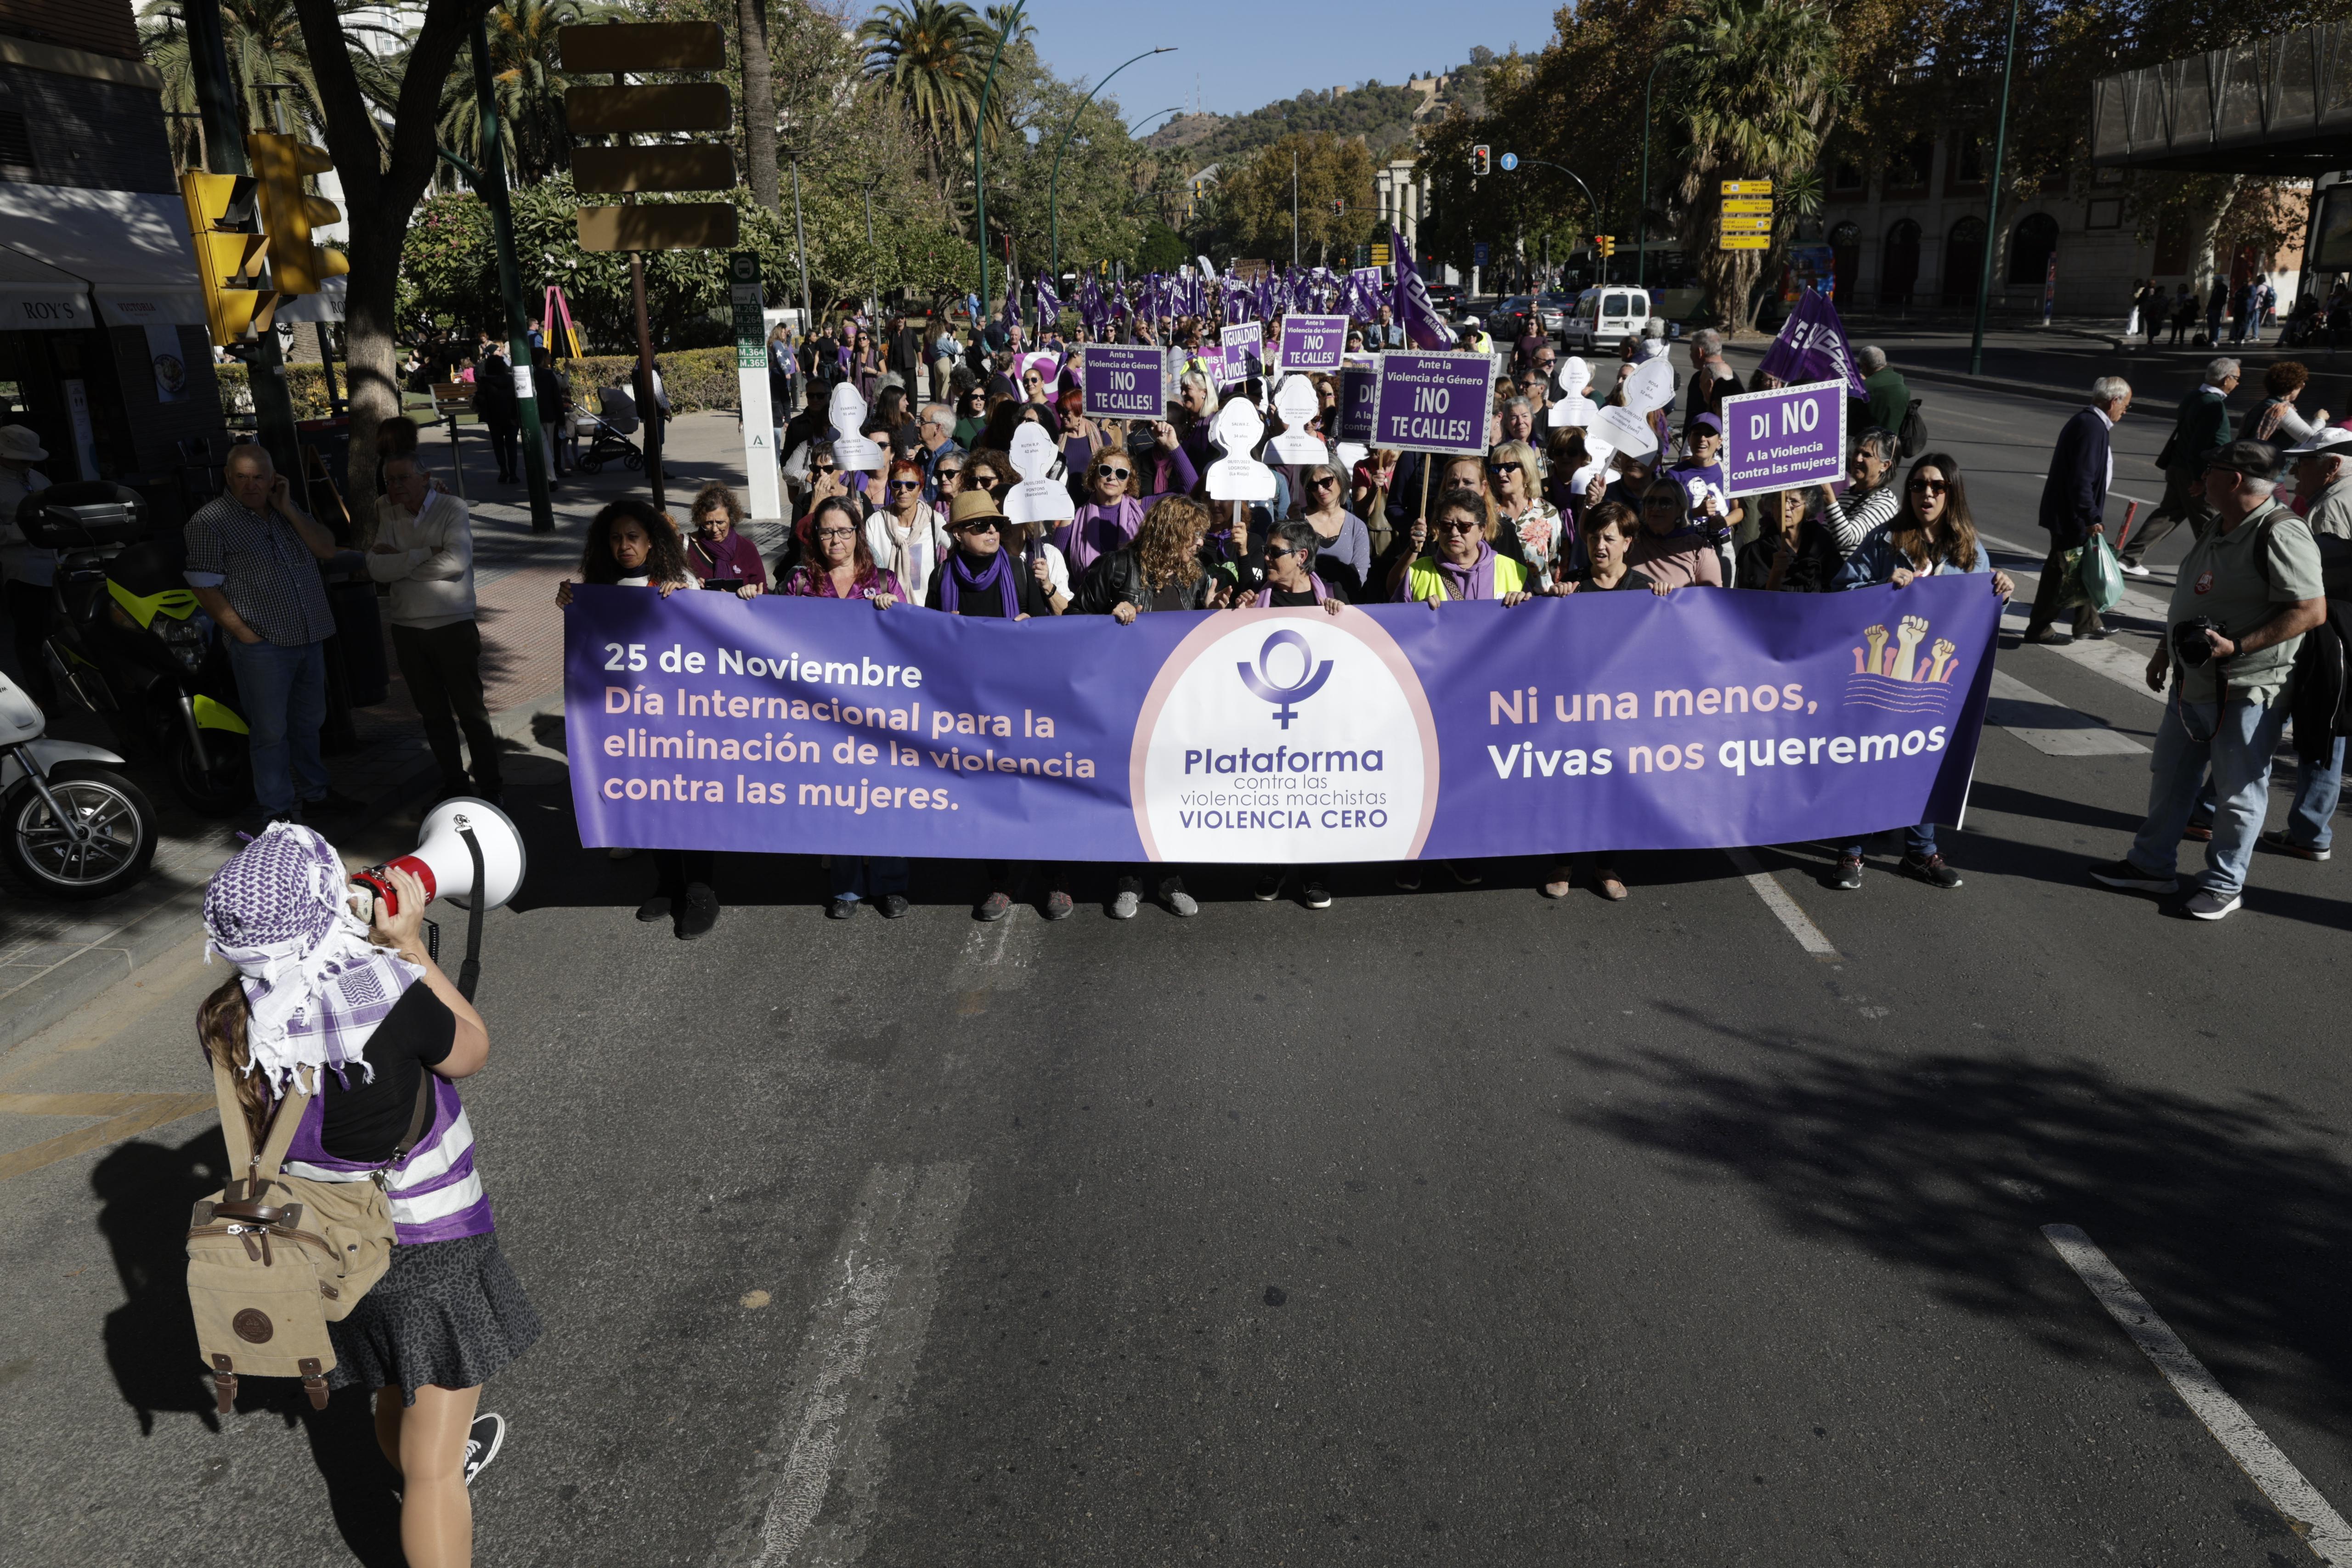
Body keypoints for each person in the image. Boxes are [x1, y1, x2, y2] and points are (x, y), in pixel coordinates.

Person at [198, 826, 536, 1568]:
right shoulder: (385, 991)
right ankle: (430, 1482)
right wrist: (409, 943)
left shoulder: (226, 1016)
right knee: (435, 1470)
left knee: (391, 1376)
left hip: (324, 1241)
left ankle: (414, 1464)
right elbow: (472, 1047)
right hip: (431, 1241)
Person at [2087, 440, 2327, 919]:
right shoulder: (2221, 524)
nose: (2200, 480)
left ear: (2234, 479)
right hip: (2191, 680)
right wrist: (2162, 650)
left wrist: (2237, 647)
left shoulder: (2280, 532)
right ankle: (2150, 866)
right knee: (2170, 777)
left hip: (2245, 689)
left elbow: (2309, 610)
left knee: (2237, 792)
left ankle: (2223, 883)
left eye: (2209, 471)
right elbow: (2189, 599)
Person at [1830, 453, 2017, 892]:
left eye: (1937, 486)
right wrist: (1885, 590)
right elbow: (1843, 589)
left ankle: (1919, 851)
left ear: (1952, 492)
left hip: (1934, 681)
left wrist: (2001, 593)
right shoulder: (1886, 540)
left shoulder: (1969, 550)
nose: (1926, 494)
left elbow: (1978, 612)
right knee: (1871, 757)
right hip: (1883, 673)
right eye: (1917, 485)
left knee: (1926, 760)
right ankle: (1852, 850)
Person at [556, 500, 723, 936]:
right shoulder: (600, 587)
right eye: (615, 538)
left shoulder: (677, 581)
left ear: (651, 539)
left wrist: (689, 600)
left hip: (681, 719)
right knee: (651, 799)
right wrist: (571, 606)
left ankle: (701, 891)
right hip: (632, 723)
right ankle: (669, 882)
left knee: (689, 802)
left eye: (633, 537)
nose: (624, 546)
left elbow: (704, 640)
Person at [1074, 496, 1226, 918]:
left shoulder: (1195, 578)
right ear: (1171, 532)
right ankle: (1128, 880)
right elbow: (1071, 621)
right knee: (1131, 793)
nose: (1200, 543)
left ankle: (1170, 877)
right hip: (1124, 702)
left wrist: (1214, 614)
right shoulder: (1117, 567)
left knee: (1169, 792)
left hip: (1173, 706)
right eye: (1193, 534)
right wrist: (1110, 612)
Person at [184, 444, 343, 828]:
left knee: (309, 722)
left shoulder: (286, 512)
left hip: (310, 635)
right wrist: (245, 635)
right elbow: (204, 588)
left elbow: (327, 549)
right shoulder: (209, 522)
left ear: (274, 480)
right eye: (242, 477)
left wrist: (289, 507)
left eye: (259, 477)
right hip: (264, 646)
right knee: (271, 732)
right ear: (227, 477)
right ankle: (278, 814)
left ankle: (316, 795)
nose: (251, 485)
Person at [927, 490, 1069, 920]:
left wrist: (1031, 626)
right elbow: (928, 644)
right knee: (990, 798)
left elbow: (1047, 635)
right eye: (980, 526)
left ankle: (1056, 880)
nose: (992, 531)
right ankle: (1002, 882)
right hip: (972, 708)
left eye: (996, 525)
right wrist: (943, 633)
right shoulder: (943, 578)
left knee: (1040, 792)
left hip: (1022, 702)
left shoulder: (1019, 571)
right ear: (957, 534)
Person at [370, 454, 500, 807]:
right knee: (433, 715)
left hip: (452, 624)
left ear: (425, 478)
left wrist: (400, 560)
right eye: (389, 481)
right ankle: (455, 785)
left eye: (401, 479)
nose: (394, 487)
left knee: (471, 713)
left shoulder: (452, 507)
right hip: (407, 628)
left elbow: (457, 561)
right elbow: (376, 568)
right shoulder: (387, 509)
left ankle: (492, 788)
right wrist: (425, 553)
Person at [1244, 518, 1346, 908]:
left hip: (1319, 724)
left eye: (1274, 552)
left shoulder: (1333, 597)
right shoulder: (1255, 599)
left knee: (1315, 799)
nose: (1266, 558)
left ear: (1302, 557)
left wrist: (1343, 617)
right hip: (1268, 722)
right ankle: (1272, 869)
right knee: (1273, 798)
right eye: (1266, 551)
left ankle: (1315, 875)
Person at [2023, 376, 2132, 644]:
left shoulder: (2090, 423)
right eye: (2126, 405)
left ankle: (2087, 623)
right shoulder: (2091, 427)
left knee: (2085, 568)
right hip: (2072, 518)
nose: (2126, 411)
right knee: (2060, 575)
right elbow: (2081, 478)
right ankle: (2039, 628)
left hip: (2074, 515)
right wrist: (2090, 515)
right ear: (2113, 401)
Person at [2123, 357, 2239, 576]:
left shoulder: (2193, 396)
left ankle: (2130, 558)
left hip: (2177, 466)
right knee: (2210, 522)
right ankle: (2218, 570)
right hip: (2193, 472)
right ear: (2226, 379)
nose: (2238, 384)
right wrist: (2199, 478)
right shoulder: (2213, 405)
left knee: (2167, 515)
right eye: (2237, 379)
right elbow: (2201, 444)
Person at [0, 423, 54, 708]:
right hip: (21, 570)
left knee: (59, 631)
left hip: (54, 564)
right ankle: (46, 698)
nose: (27, 464)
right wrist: (29, 531)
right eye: (21, 459)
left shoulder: (39, 479)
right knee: (31, 636)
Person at [865, 458, 950, 604]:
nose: (903, 490)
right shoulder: (875, 522)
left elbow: (956, 548)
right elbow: (866, 567)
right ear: (890, 488)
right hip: (888, 607)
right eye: (897, 485)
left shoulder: (934, 520)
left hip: (926, 608)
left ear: (920, 489)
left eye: (911, 485)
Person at [1290, 460, 1373, 600]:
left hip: (1343, 605)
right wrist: (1292, 527)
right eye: (1313, 485)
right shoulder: (1296, 519)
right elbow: (1287, 567)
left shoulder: (1357, 527)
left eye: (1326, 482)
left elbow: (1360, 576)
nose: (1320, 490)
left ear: (1341, 479)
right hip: (1304, 603)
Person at [1624, 476, 1726, 590]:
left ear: (1680, 510)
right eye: (1650, 501)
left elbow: (1712, 596)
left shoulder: (1698, 548)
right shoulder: (1629, 541)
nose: (1656, 508)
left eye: (1665, 503)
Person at [1488, 442, 1563, 589]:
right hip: (1499, 602)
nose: (1501, 473)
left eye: (1509, 467)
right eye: (1496, 468)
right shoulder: (1486, 513)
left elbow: (1556, 565)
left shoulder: (1548, 513)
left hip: (1539, 602)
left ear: (1527, 471)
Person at [1817, 427, 1902, 556]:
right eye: (1856, 452)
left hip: (1845, 575)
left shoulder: (1885, 502)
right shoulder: (1847, 493)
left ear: (1885, 466)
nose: (1858, 459)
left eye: (1867, 455)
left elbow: (1847, 538)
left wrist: (1828, 496)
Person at [1734, 488, 1839, 592]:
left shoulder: (1821, 541)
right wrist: (1776, 573)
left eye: (1794, 502)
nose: (1786, 507)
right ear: (1772, 507)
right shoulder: (1756, 551)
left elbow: (1836, 586)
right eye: (1780, 500)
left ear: (1808, 508)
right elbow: (1756, 602)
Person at [684, 482, 768, 595]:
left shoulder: (747, 548)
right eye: (708, 523)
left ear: (731, 519)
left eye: (720, 523)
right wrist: (692, 586)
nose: (715, 529)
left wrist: (749, 592)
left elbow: (763, 592)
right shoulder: (685, 546)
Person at [2245, 360, 2330, 448]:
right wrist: (2320, 418)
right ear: (2293, 387)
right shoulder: (2281, 410)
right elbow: (2310, 438)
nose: (2302, 388)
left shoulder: (2263, 405)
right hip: (2269, 459)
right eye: (2301, 385)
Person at [472, 334, 520, 484]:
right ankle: (513, 472)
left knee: (498, 445)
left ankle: (503, 470)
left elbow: (480, 400)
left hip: (494, 417)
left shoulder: (485, 383)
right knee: (512, 446)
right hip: (511, 417)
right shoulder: (511, 381)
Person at [1682, 330, 1739, 440]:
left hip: (1702, 446)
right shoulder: (1734, 377)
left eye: (1691, 350)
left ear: (1700, 352)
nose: (1690, 355)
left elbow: (1693, 419)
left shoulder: (1699, 379)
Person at [1857, 345, 1911, 438]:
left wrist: (1864, 383)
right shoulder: (1899, 379)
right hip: (1895, 441)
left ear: (1865, 366)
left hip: (1872, 440)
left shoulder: (1866, 387)